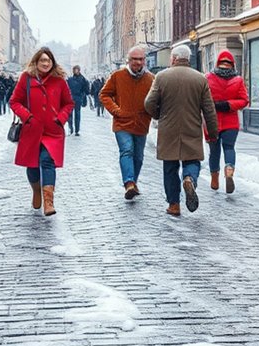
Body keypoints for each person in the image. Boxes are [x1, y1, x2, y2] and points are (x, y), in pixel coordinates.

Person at [144, 44, 218, 217]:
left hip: (168, 128)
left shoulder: (162, 77)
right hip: (191, 127)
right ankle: (189, 179)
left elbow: (149, 103)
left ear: (173, 58)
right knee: (192, 160)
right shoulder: (200, 79)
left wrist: (158, 115)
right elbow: (209, 109)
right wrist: (213, 132)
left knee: (170, 166)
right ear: (188, 59)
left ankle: (174, 205)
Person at [9, 47, 74, 217]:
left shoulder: (59, 80)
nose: (46, 63)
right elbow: (14, 101)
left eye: (48, 60)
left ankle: (48, 202)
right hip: (32, 130)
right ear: (36, 62)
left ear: (52, 63)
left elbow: (69, 103)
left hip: (53, 130)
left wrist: (60, 118)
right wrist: (27, 117)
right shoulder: (26, 78)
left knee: (47, 161)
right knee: (32, 165)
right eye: (42, 60)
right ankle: (36, 191)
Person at [100, 46, 154, 200]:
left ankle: (133, 183)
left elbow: (157, 99)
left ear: (144, 60)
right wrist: (116, 111)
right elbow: (104, 94)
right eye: (134, 59)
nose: (137, 62)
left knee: (138, 157)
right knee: (127, 150)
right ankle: (128, 182)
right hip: (122, 123)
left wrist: (153, 112)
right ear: (128, 60)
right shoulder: (117, 76)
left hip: (141, 123)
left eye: (140, 59)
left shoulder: (151, 79)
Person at [205, 50, 249, 194]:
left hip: (212, 120)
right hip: (231, 121)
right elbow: (244, 101)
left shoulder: (208, 78)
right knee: (229, 148)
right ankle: (229, 170)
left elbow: (203, 98)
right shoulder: (238, 80)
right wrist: (229, 104)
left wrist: (214, 105)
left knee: (214, 151)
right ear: (233, 65)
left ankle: (214, 178)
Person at [66, 65, 90, 135]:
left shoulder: (83, 80)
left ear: (79, 70)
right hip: (70, 99)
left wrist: (84, 96)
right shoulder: (70, 79)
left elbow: (86, 90)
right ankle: (71, 128)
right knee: (70, 115)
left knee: (77, 114)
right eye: (74, 70)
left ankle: (77, 130)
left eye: (76, 70)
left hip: (78, 99)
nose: (75, 71)